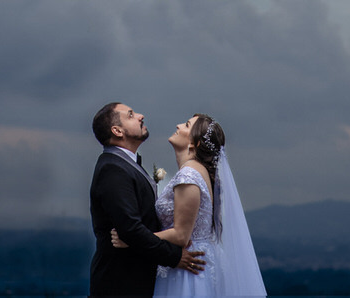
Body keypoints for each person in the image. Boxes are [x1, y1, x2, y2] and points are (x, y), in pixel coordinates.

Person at [111, 114, 266, 297]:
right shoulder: (196, 172)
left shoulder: (189, 175)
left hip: (187, 269)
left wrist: (133, 240)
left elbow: (181, 235)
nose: (178, 125)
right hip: (195, 263)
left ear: (195, 143)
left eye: (186, 125)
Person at [89, 102, 207, 297]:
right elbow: (130, 230)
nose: (140, 115)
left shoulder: (124, 165)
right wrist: (175, 257)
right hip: (120, 284)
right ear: (117, 131)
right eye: (130, 115)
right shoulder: (112, 169)